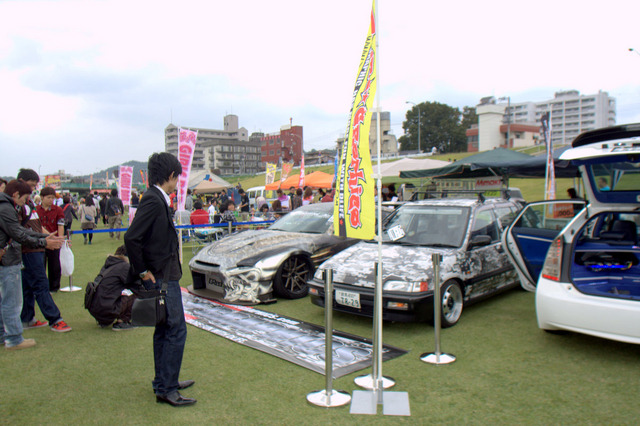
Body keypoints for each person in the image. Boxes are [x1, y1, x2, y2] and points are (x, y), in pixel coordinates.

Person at [124, 152, 195, 407]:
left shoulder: (155, 198)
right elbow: (132, 238)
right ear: (171, 176)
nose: (177, 182)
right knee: (175, 329)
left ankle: (165, 381)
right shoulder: (154, 199)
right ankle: (166, 388)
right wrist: (143, 271)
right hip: (163, 277)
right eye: (177, 177)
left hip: (166, 275)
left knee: (165, 328)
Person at [1, 180, 65, 350]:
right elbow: (18, 233)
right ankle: (14, 339)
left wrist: (42, 238)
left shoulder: (7, 206)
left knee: (8, 298)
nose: (25, 201)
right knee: (11, 300)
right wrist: (43, 242)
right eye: (25, 197)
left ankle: (4, 334)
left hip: (9, 257)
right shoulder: (6, 208)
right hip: (9, 259)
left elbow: (21, 231)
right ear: (16, 194)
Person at [16, 170, 72, 333]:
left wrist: (49, 237)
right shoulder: (18, 205)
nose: (33, 189)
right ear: (21, 181)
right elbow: (19, 230)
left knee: (27, 284)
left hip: (36, 246)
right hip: (29, 249)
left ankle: (27, 318)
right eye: (31, 185)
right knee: (41, 283)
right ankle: (55, 319)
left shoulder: (29, 203)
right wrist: (43, 240)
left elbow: (34, 225)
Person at [88, 245, 143, 331]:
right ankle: (122, 321)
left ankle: (103, 320)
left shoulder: (108, 265)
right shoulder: (124, 267)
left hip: (94, 307)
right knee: (134, 292)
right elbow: (137, 285)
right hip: (107, 307)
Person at [36, 187, 65, 292]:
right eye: (48, 197)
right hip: (40, 241)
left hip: (54, 241)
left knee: (55, 265)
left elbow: (61, 225)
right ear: (42, 197)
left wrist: (59, 239)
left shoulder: (58, 210)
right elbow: (37, 226)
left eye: (52, 198)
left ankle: (54, 287)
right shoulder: (36, 210)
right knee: (40, 264)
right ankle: (41, 287)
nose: (51, 200)